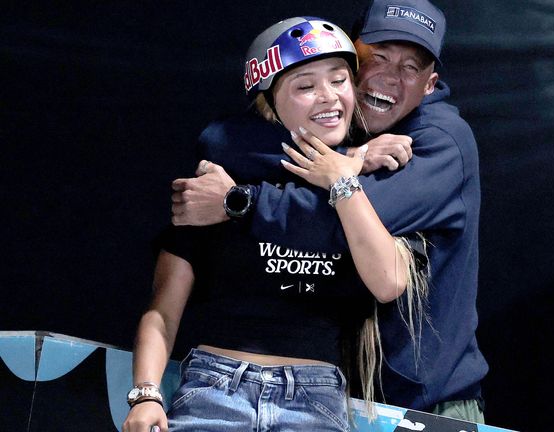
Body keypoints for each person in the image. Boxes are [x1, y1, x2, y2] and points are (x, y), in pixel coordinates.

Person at [171, 0, 488, 423]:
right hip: (343, 396)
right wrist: (351, 154)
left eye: (410, 69)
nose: (390, 79)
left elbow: (342, 222)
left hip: (427, 403)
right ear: (351, 57)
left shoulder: (439, 139)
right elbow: (224, 138)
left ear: (430, 84)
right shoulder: (353, 125)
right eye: (377, 59)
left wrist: (239, 202)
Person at [123, 16, 427, 432]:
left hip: (314, 395)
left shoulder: (370, 187)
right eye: (305, 86)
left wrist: (345, 171)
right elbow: (162, 310)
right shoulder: (217, 185)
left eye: (340, 81)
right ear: (269, 103)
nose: (329, 97)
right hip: (216, 383)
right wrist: (146, 393)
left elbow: (390, 282)